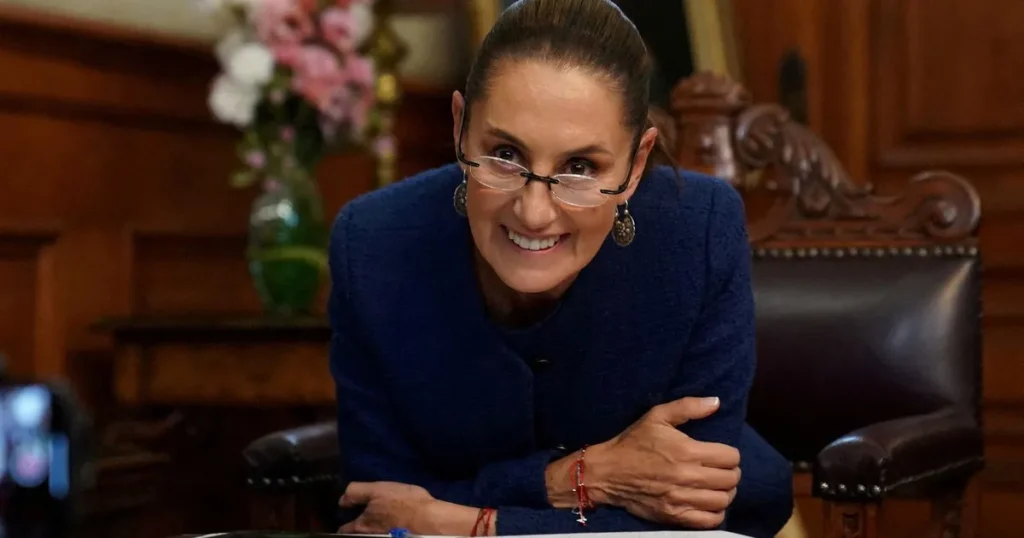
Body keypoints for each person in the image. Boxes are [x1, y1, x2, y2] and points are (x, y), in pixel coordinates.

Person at [329, 0, 792, 536]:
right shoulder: (373, 244)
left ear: (637, 164)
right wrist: (580, 478)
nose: (534, 212)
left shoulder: (698, 231)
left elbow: (690, 511)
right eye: (505, 154)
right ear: (460, 128)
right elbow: (378, 511)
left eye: (580, 166)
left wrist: (474, 523)